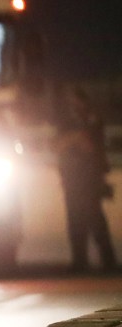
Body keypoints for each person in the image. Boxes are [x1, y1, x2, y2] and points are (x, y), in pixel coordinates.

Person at [53, 84, 117, 272]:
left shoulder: (92, 120)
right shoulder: (67, 121)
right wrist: (74, 138)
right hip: (72, 179)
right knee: (75, 222)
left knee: (95, 221)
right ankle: (80, 261)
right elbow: (58, 145)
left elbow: (90, 145)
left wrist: (73, 139)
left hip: (89, 179)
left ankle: (108, 262)